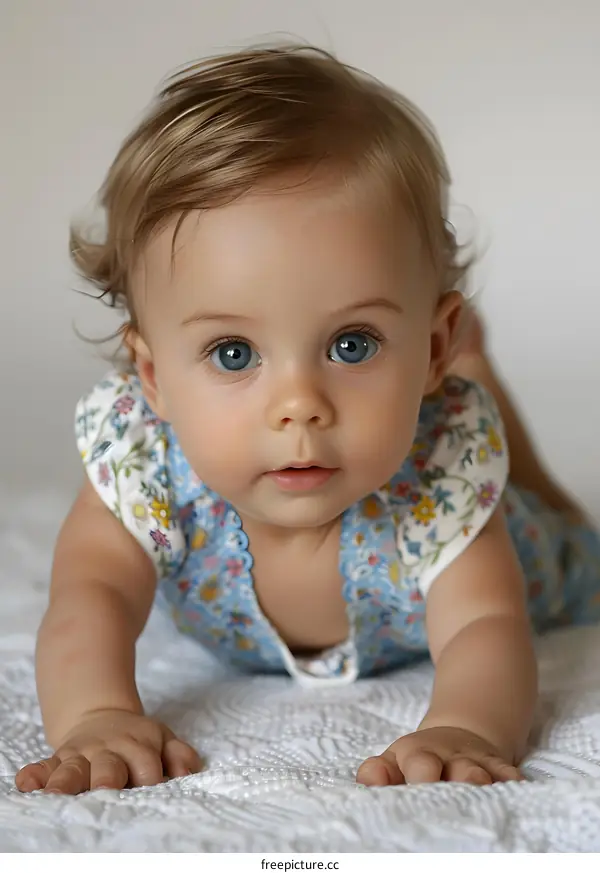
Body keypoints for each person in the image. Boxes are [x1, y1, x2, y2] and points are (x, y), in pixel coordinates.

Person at [16, 44, 600, 796]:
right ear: (155, 377)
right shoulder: (143, 465)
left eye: (351, 344)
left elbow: (485, 626)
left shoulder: (439, 478)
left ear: (425, 348)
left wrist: (466, 724)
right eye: (233, 353)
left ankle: (477, 381)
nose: (300, 403)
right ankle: (459, 363)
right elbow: (87, 597)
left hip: (533, 551)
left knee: (564, 529)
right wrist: (95, 712)